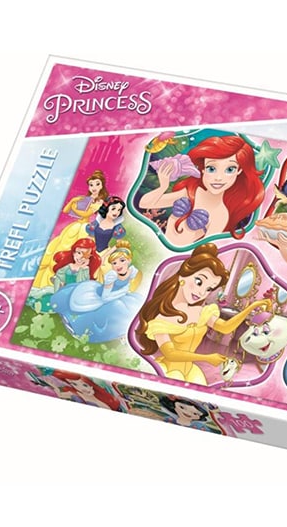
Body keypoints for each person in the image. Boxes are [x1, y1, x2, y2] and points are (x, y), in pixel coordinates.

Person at [134, 243, 272, 386]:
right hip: (169, 370)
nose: (201, 293)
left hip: (190, 369)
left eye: (209, 289)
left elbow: (225, 327)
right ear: (182, 276)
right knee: (176, 383)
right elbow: (171, 354)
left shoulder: (201, 311)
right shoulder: (162, 317)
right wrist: (206, 358)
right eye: (199, 282)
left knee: (198, 387)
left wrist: (251, 307)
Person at [138, 134, 265, 246]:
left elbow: (207, 249)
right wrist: (163, 187)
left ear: (239, 171)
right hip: (155, 245)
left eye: (229, 169)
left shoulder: (220, 214)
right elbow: (144, 203)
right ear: (202, 168)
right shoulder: (192, 192)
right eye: (211, 169)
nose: (218, 178)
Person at [50, 240, 143, 343]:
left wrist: (124, 292)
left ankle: (125, 331)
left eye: (122, 260)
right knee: (115, 308)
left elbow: (125, 286)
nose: (118, 265)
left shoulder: (132, 272)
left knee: (134, 306)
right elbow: (105, 297)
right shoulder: (111, 276)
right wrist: (122, 292)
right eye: (114, 263)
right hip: (100, 296)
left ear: (129, 260)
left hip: (117, 296)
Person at [32, 170, 108, 289]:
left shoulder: (100, 202)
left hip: (84, 228)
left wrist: (74, 206)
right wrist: (73, 201)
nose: (94, 187)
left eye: (97, 184)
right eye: (91, 185)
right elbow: (66, 210)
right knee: (61, 246)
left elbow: (86, 214)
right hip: (74, 226)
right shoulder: (84, 198)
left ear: (102, 185)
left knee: (82, 251)